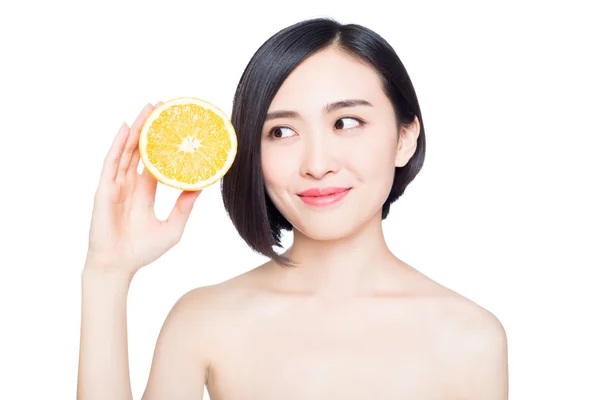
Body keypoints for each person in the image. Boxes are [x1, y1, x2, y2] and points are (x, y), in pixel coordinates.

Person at [77, 17, 508, 400]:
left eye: (346, 123)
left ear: (404, 138)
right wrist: (106, 274)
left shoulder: (470, 338)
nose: (317, 165)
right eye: (281, 131)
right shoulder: (204, 321)